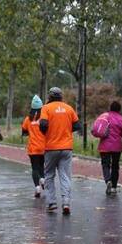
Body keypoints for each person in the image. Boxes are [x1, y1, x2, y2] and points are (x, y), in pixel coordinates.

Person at [39, 87, 81, 215]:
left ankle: (52, 203)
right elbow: (77, 125)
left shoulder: (46, 108)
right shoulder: (69, 108)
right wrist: (65, 131)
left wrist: (48, 133)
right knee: (65, 176)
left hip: (51, 147)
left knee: (49, 175)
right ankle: (66, 203)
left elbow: (43, 125)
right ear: (61, 96)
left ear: (50, 97)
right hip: (67, 147)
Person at [92, 101, 122, 195]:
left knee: (105, 164)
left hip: (104, 145)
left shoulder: (105, 116)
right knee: (115, 166)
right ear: (119, 109)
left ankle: (108, 180)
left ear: (110, 108)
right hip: (117, 146)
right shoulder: (121, 119)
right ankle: (114, 187)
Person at [21, 95, 46, 198]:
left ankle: (37, 187)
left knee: (34, 168)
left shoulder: (28, 119)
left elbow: (24, 131)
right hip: (44, 147)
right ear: (41, 107)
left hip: (33, 148)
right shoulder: (44, 119)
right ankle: (43, 179)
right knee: (41, 166)